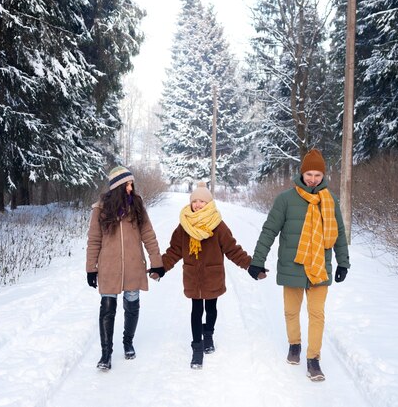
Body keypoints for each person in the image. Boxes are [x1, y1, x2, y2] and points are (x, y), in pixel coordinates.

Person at [249, 148, 350, 382]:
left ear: (323, 176)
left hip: (320, 265)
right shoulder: (286, 199)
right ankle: (294, 344)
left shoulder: (330, 200)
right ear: (301, 173)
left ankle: (313, 360)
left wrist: (343, 262)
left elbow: (340, 233)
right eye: (309, 174)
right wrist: (257, 261)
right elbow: (269, 231)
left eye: (317, 175)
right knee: (291, 311)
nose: (313, 179)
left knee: (317, 314)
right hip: (292, 264)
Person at [149, 181, 267, 369]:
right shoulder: (184, 226)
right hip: (193, 276)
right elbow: (174, 251)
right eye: (194, 201)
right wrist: (160, 268)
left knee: (211, 308)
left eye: (201, 201)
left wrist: (251, 266)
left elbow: (232, 250)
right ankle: (197, 348)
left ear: (209, 204)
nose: (197, 204)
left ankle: (208, 335)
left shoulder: (218, 225)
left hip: (212, 275)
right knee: (196, 310)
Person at [86, 166, 163, 370]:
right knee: (107, 309)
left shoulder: (137, 206)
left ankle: (128, 342)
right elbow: (94, 240)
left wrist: (157, 262)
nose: (131, 187)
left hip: (133, 265)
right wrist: (90, 268)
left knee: (131, 306)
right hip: (109, 267)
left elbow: (148, 235)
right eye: (128, 184)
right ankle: (106, 354)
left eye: (132, 184)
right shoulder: (100, 209)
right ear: (118, 186)